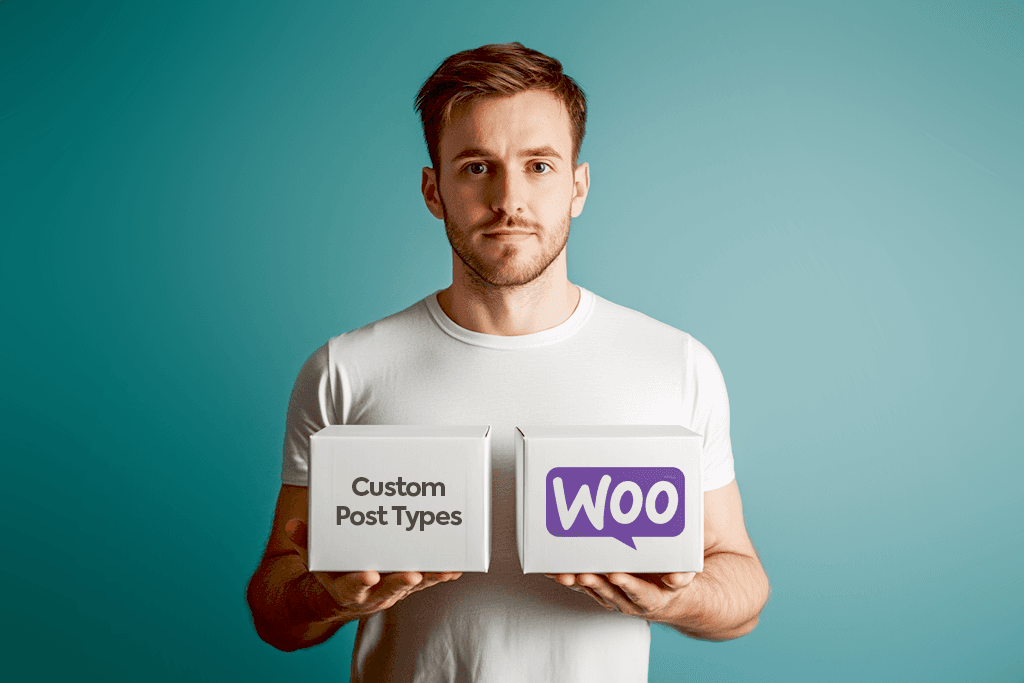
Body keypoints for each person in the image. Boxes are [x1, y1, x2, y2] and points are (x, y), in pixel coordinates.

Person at [246, 42, 770, 682]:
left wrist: (679, 600)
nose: (509, 200)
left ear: (578, 185)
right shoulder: (344, 371)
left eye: (540, 166)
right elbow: (275, 612)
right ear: (432, 189)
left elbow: (741, 583)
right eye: (476, 167)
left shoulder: (675, 364)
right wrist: (326, 597)